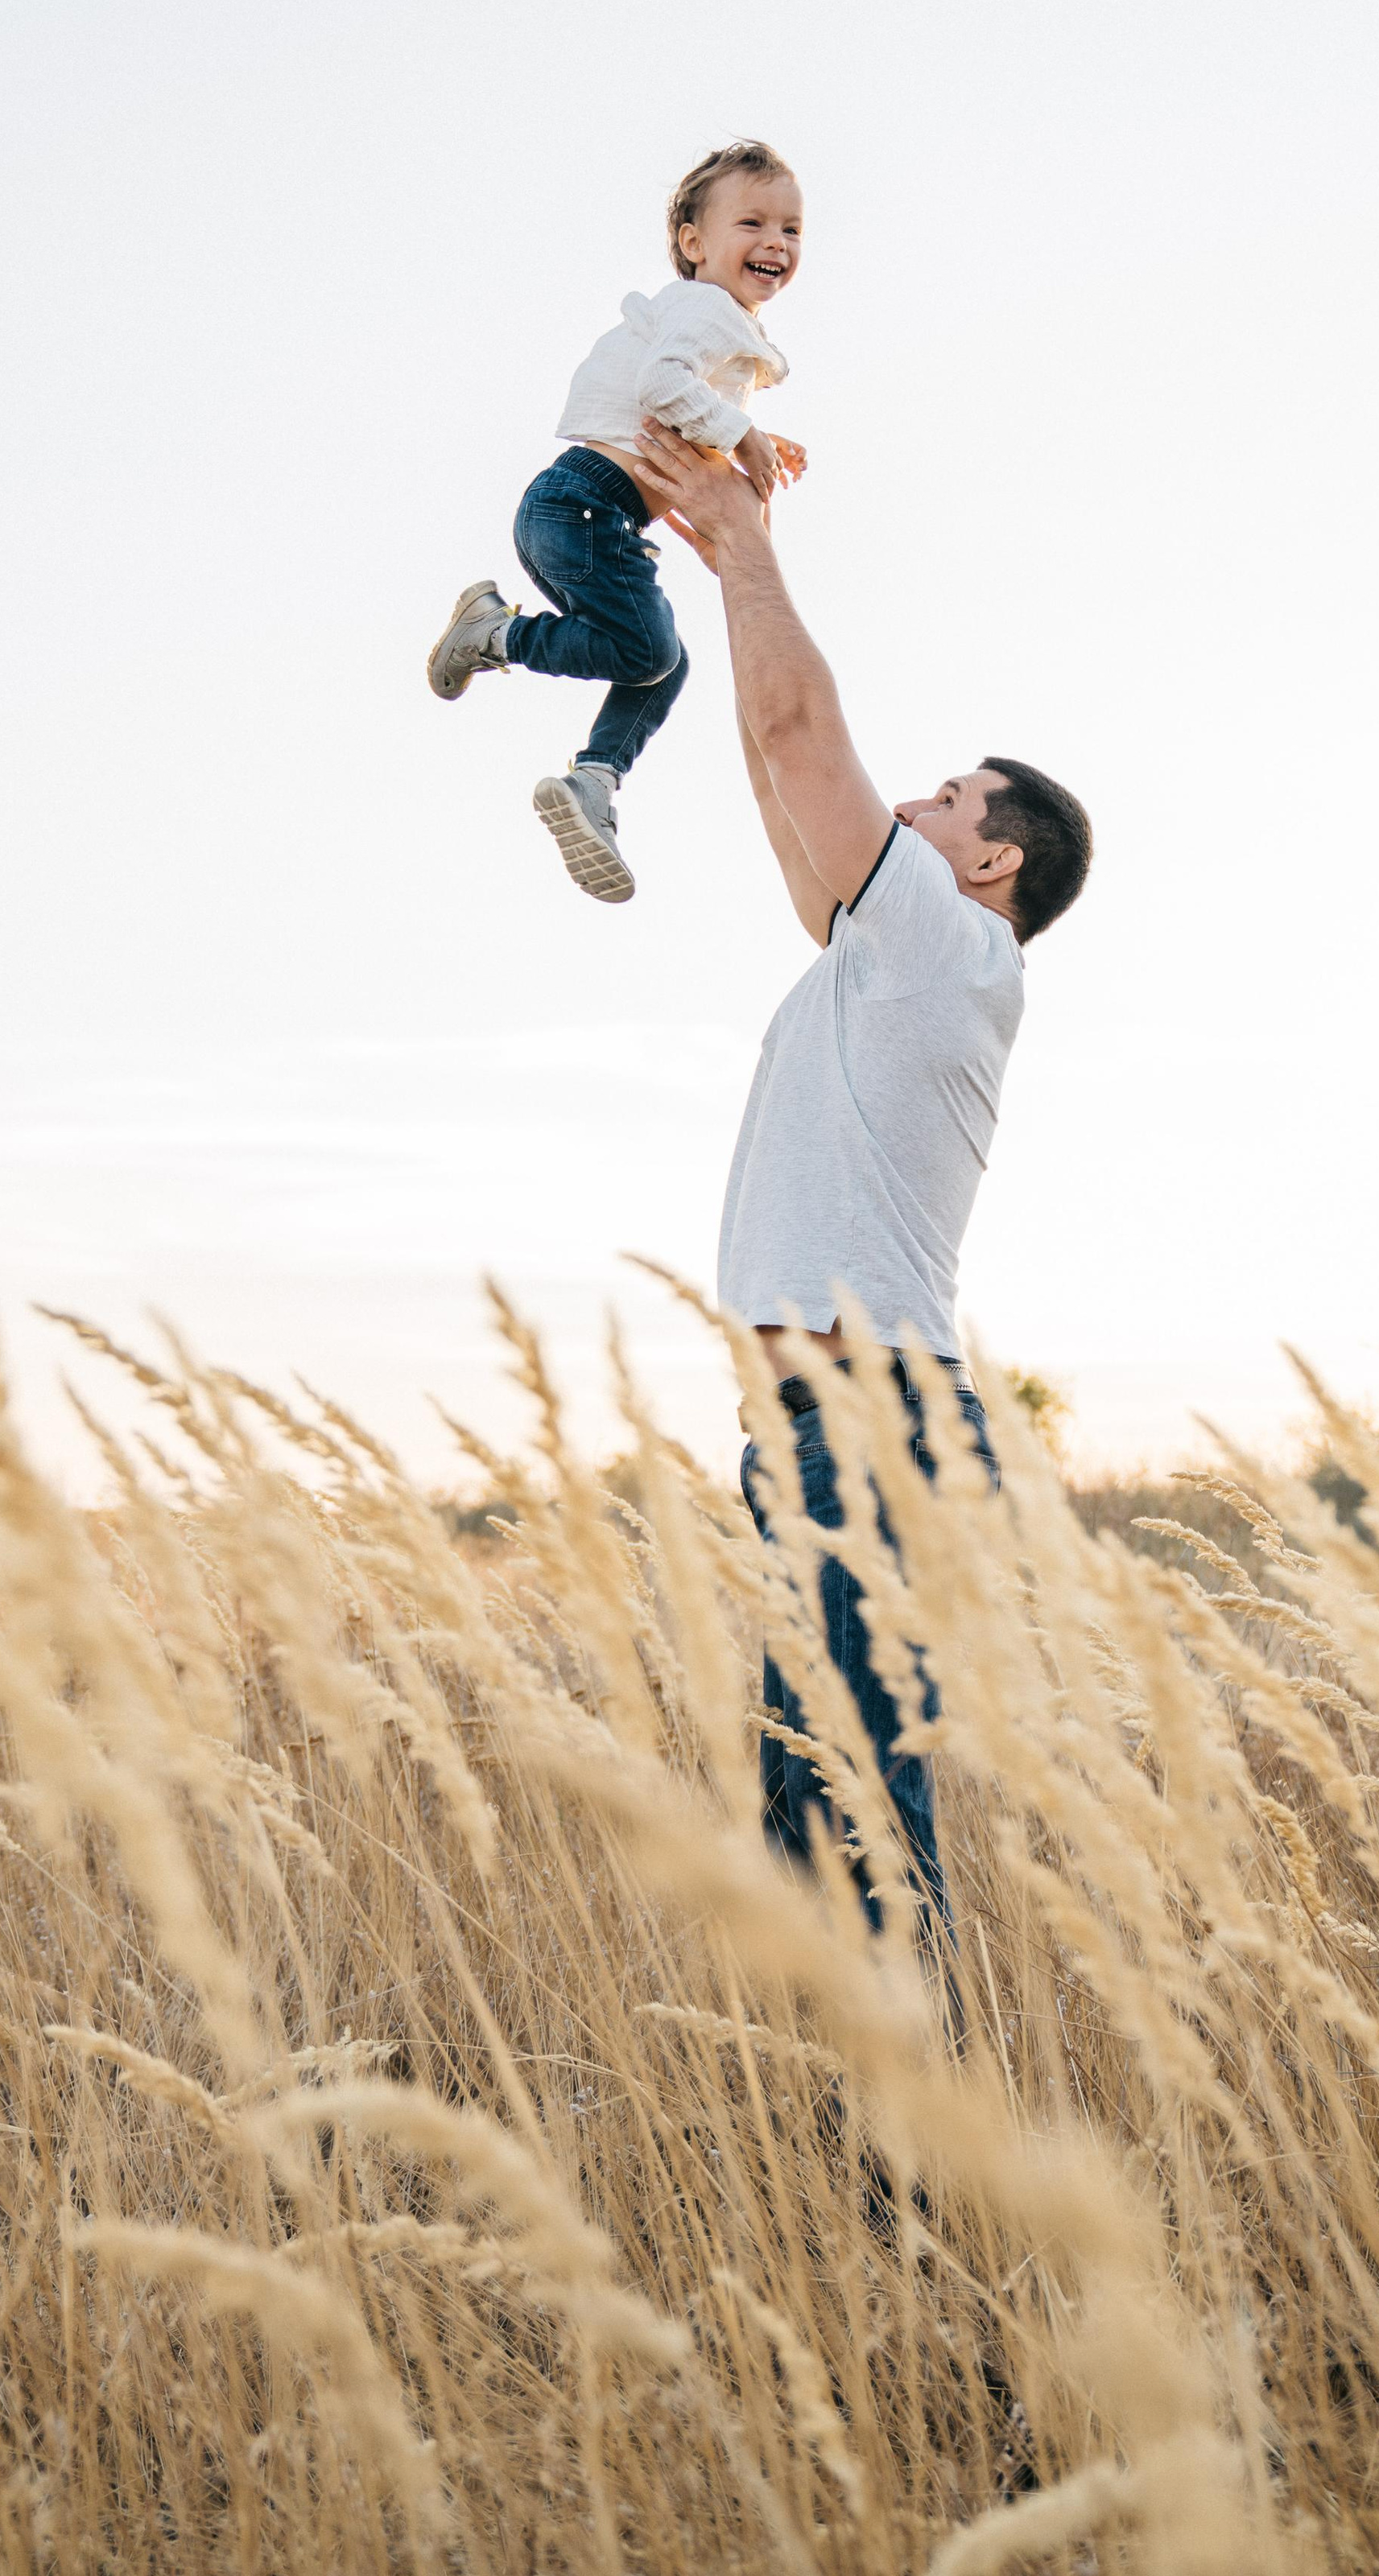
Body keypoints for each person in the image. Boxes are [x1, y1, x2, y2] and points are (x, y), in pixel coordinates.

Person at [631, 418, 1092, 1960]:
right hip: (813, 1430)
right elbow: (785, 781)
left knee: (862, 1820)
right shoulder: (878, 950)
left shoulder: (950, 949)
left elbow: (802, 745)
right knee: (807, 1816)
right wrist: (727, 559)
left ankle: (913, 2167)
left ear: (994, 867)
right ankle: (855, 2164)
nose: (917, 800)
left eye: (955, 798)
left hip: (870, 1425)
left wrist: (748, 544)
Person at [424, 140, 807, 905]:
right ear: (694, 245)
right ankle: (495, 635)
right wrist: (742, 433)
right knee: (646, 647)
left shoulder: (711, 323)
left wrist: (731, 472)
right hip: (585, 503)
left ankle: (595, 780)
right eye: (753, 223)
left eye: (792, 229)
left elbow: (668, 435)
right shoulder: (709, 308)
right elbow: (662, 387)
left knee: (661, 661)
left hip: (586, 511)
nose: (775, 242)